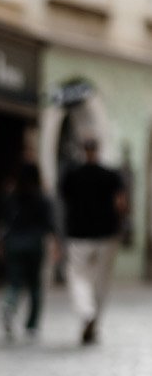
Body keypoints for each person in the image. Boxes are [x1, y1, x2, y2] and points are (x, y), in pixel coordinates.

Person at [60, 138, 126, 345]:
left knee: (78, 276)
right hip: (107, 235)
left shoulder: (72, 175)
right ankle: (93, 319)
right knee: (101, 281)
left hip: (78, 234)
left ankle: (86, 312)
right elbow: (121, 204)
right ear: (97, 150)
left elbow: (64, 200)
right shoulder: (111, 175)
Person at [0, 162, 59, 341]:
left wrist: (1, 243)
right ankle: (32, 324)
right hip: (34, 244)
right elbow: (49, 224)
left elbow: (5, 222)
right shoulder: (41, 198)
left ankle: (9, 305)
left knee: (14, 282)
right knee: (35, 285)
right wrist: (55, 245)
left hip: (14, 244)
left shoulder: (11, 196)